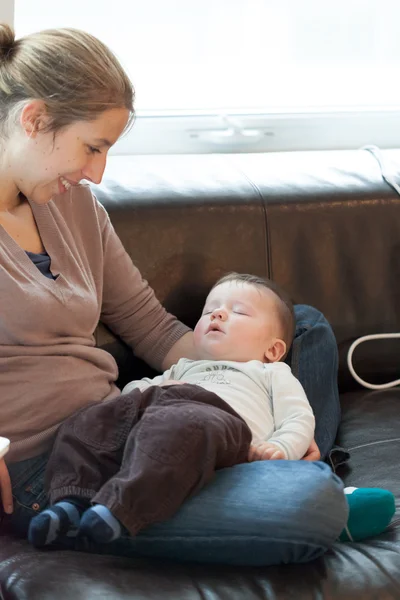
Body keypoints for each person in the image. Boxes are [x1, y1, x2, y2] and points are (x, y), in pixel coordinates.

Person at [0, 22, 386, 566]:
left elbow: (151, 326)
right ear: (34, 119)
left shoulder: (76, 208)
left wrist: (230, 366)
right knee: (312, 509)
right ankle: (301, 480)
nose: (98, 173)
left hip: (137, 422)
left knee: (299, 324)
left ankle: (286, 448)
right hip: (54, 466)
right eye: (92, 147)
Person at [27, 273, 395, 548]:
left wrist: (282, 449)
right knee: (86, 423)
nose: (218, 314)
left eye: (237, 312)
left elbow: (298, 417)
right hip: (159, 424)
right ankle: (69, 502)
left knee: (305, 322)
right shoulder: (182, 368)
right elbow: (134, 394)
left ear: (273, 349)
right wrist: (149, 389)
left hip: (224, 434)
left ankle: (119, 509)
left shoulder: (271, 372)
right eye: (210, 311)